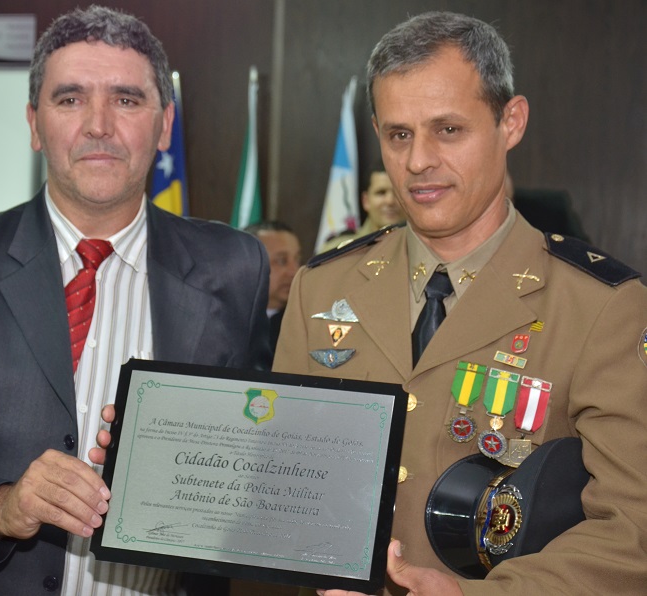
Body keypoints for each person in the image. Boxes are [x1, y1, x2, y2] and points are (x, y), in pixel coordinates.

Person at [0, 6, 271, 596]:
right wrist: (1, 506)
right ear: (34, 123)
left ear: (165, 125)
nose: (99, 125)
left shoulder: (234, 267)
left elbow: (257, 454)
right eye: (70, 99)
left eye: (126, 99)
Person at [273, 11, 647, 596]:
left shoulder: (601, 306)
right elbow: (278, 476)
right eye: (398, 135)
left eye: (448, 130)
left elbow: (630, 530)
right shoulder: (322, 287)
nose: (418, 160)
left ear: (510, 122)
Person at [318, 165, 405, 253]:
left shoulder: (413, 248)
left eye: (397, 193)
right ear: (366, 201)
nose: (390, 201)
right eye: (381, 193)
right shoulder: (337, 250)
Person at [245, 220, 302, 353]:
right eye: (281, 261)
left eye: (297, 260)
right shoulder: (222, 321)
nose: (294, 272)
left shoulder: (304, 323)